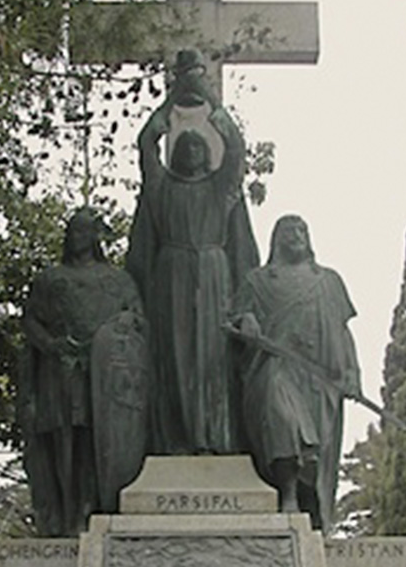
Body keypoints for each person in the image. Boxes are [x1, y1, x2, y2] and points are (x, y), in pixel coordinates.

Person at [126, 49, 259, 455]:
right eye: (185, 148)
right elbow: (146, 144)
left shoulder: (220, 192)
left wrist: (209, 98)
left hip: (214, 273)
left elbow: (236, 151)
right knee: (175, 358)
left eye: (199, 149)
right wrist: (173, 98)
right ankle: (176, 440)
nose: (192, 151)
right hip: (171, 276)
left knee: (213, 358)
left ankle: (214, 439)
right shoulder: (162, 190)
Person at [231, 215, 362, 530]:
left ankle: (310, 504)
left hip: (319, 376)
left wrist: (353, 374)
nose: (297, 235)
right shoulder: (258, 281)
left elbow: (343, 332)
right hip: (277, 366)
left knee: (315, 448)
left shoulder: (328, 281)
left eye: (302, 229)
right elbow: (236, 316)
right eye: (289, 230)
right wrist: (246, 319)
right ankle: (286, 494)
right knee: (283, 418)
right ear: (276, 239)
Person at [20, 208, 144, 536]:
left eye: (86, 232)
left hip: (104, 378)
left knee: (94, 440)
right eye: (74, 232)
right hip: (61, 372)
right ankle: (66, 508)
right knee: (64, 441)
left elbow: (138, 319)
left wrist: (128, 322)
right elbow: (31, 321)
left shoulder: (118, 280)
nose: (79, 238)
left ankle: (90, 508)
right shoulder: (51, 279)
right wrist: (51, 345)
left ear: (95, 238)